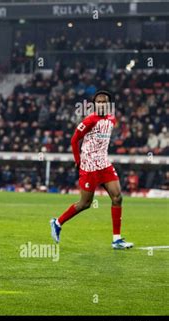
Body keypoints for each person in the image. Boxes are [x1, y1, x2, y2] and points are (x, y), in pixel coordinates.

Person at [50, 90, 133, 250]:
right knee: (85, 203)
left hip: (104, 164)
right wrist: (78, 161)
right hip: (89, 166)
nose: (101, 104)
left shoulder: (111, 119)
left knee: (117, 198)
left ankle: (116, 240)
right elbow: (74, 140)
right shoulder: (89, 120)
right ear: (95, 105)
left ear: (109, 105)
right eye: (99, 102)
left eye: (104, 102)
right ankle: (58, 222)